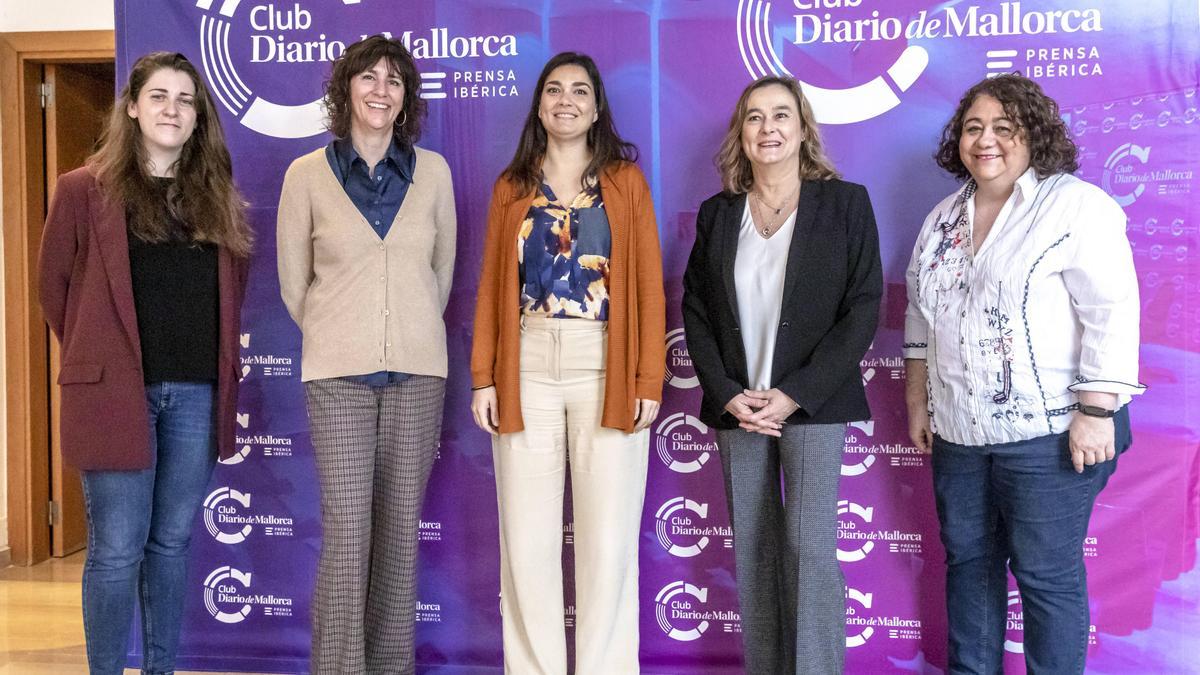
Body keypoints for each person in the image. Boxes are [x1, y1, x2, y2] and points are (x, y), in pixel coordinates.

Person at [904, 73, 1144, 674]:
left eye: (1004, 128)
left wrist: (1095, 413)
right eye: (973, 128)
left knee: (1045, 574)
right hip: (960, 433)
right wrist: (917, 403)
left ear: (1033, 135)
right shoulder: (941, 218)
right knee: (969, 564)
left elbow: (1110, 312)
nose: (986, 140)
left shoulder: (1075, 205)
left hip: (1051, 432)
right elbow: (918, 317)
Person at [37, 51, 251, 675]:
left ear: (197, 117)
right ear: (131, 106)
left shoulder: (216, 196)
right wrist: (95, 354)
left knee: (171, 544)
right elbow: (55, 291)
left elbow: (233, 287)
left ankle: (160, 668)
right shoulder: (82, 190)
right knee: (117, 550)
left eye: (186, 100)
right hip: (112, 394)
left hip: (194, 394)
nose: (172, 110)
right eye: (159, 96)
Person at [469, 51, 665, 674]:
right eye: (554, 90)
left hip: (604, 366)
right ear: (539, 105)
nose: (566, 101)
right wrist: (484, 376)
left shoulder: (626, 183)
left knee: (607, 544)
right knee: (526, 544)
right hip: (525, 366)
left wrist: (646, 378)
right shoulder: (512, 188)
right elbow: (490, 286)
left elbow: (651, 288)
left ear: (597, 107)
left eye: (580, 91)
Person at [681, 75, 882, 675]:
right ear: (740, 135)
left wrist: (797, 393)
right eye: (754, 118)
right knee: (756, 548)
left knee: (808, 549)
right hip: (739, 407)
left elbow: (864, 306)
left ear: (802, 128)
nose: (768, 128)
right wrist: (723, 393)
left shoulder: (845, 204)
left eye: (781, 116)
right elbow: (696, 309)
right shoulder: (719, 215)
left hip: (814, 404)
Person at [276, 35, 456, 674]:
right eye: (368, 78)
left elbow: (440, 275)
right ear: (345, 90)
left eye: (395, 81)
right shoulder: (305, 176)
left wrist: (401, 328)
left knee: (400, 537)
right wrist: (343, 331)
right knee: (348, 538)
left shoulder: (433, 173)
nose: (381, 90)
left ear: (406, 97)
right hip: (337, 377)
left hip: (417, 374)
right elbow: (296, 286)